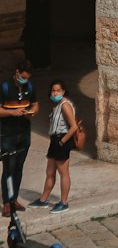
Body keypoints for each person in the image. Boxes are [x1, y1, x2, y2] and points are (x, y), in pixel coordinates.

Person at [30, 78, 78, 213]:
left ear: (63, 91)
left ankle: (64, 202)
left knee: (63, 172)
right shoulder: (57, 106)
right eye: (53, 90)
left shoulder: (65, 105)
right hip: (54, 140)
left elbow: (73, 126)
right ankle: (43, 200)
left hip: (61, 140)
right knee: (50, 172)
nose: (55, 93)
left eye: (58, 90)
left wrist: (63, 142)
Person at [0, 61, 37, 217]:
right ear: (17, 73)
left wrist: (31, 112)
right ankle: (7, 202)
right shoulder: (5, 87)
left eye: (27, 78)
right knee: (9, 167)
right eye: (22, 77)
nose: (25, 80)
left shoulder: (29, 87)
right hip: (8, 134)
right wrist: (12, 113)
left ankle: (14, 198)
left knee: (19, 167)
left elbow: (35, 105)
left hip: (24, 133)